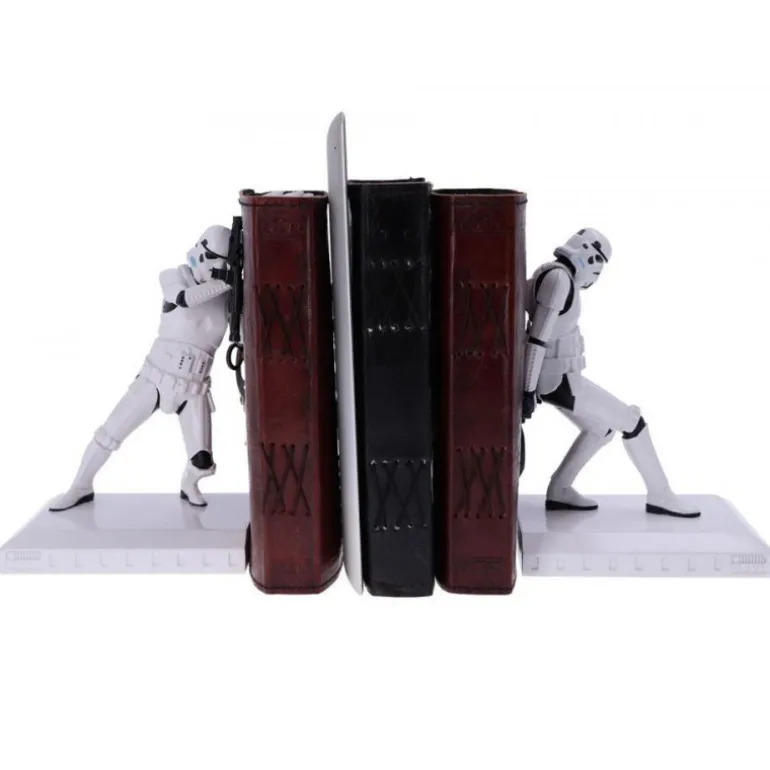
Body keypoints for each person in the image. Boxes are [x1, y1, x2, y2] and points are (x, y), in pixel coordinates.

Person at [50, 225, 233, 511]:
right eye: (212, 258)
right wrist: (228, 282)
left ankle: (189, 485)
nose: (215, 267)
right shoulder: (174, 277)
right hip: (156, 378)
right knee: (109, 435)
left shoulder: (228, 298)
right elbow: (184, 299)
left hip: (194, 387)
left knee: (202, 462)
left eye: (222, 262)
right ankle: (80, 487)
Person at [522, 228, 699, 518]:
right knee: (633, 422)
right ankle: (661, 494)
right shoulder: (558, 280)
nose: (597, 274)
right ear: (589, 255)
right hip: (558, 380)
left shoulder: (551, 273)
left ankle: (560, 489)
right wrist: (528, 389)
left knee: (601, 429)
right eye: (599, 264)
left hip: (558, 377)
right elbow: (537, 339)